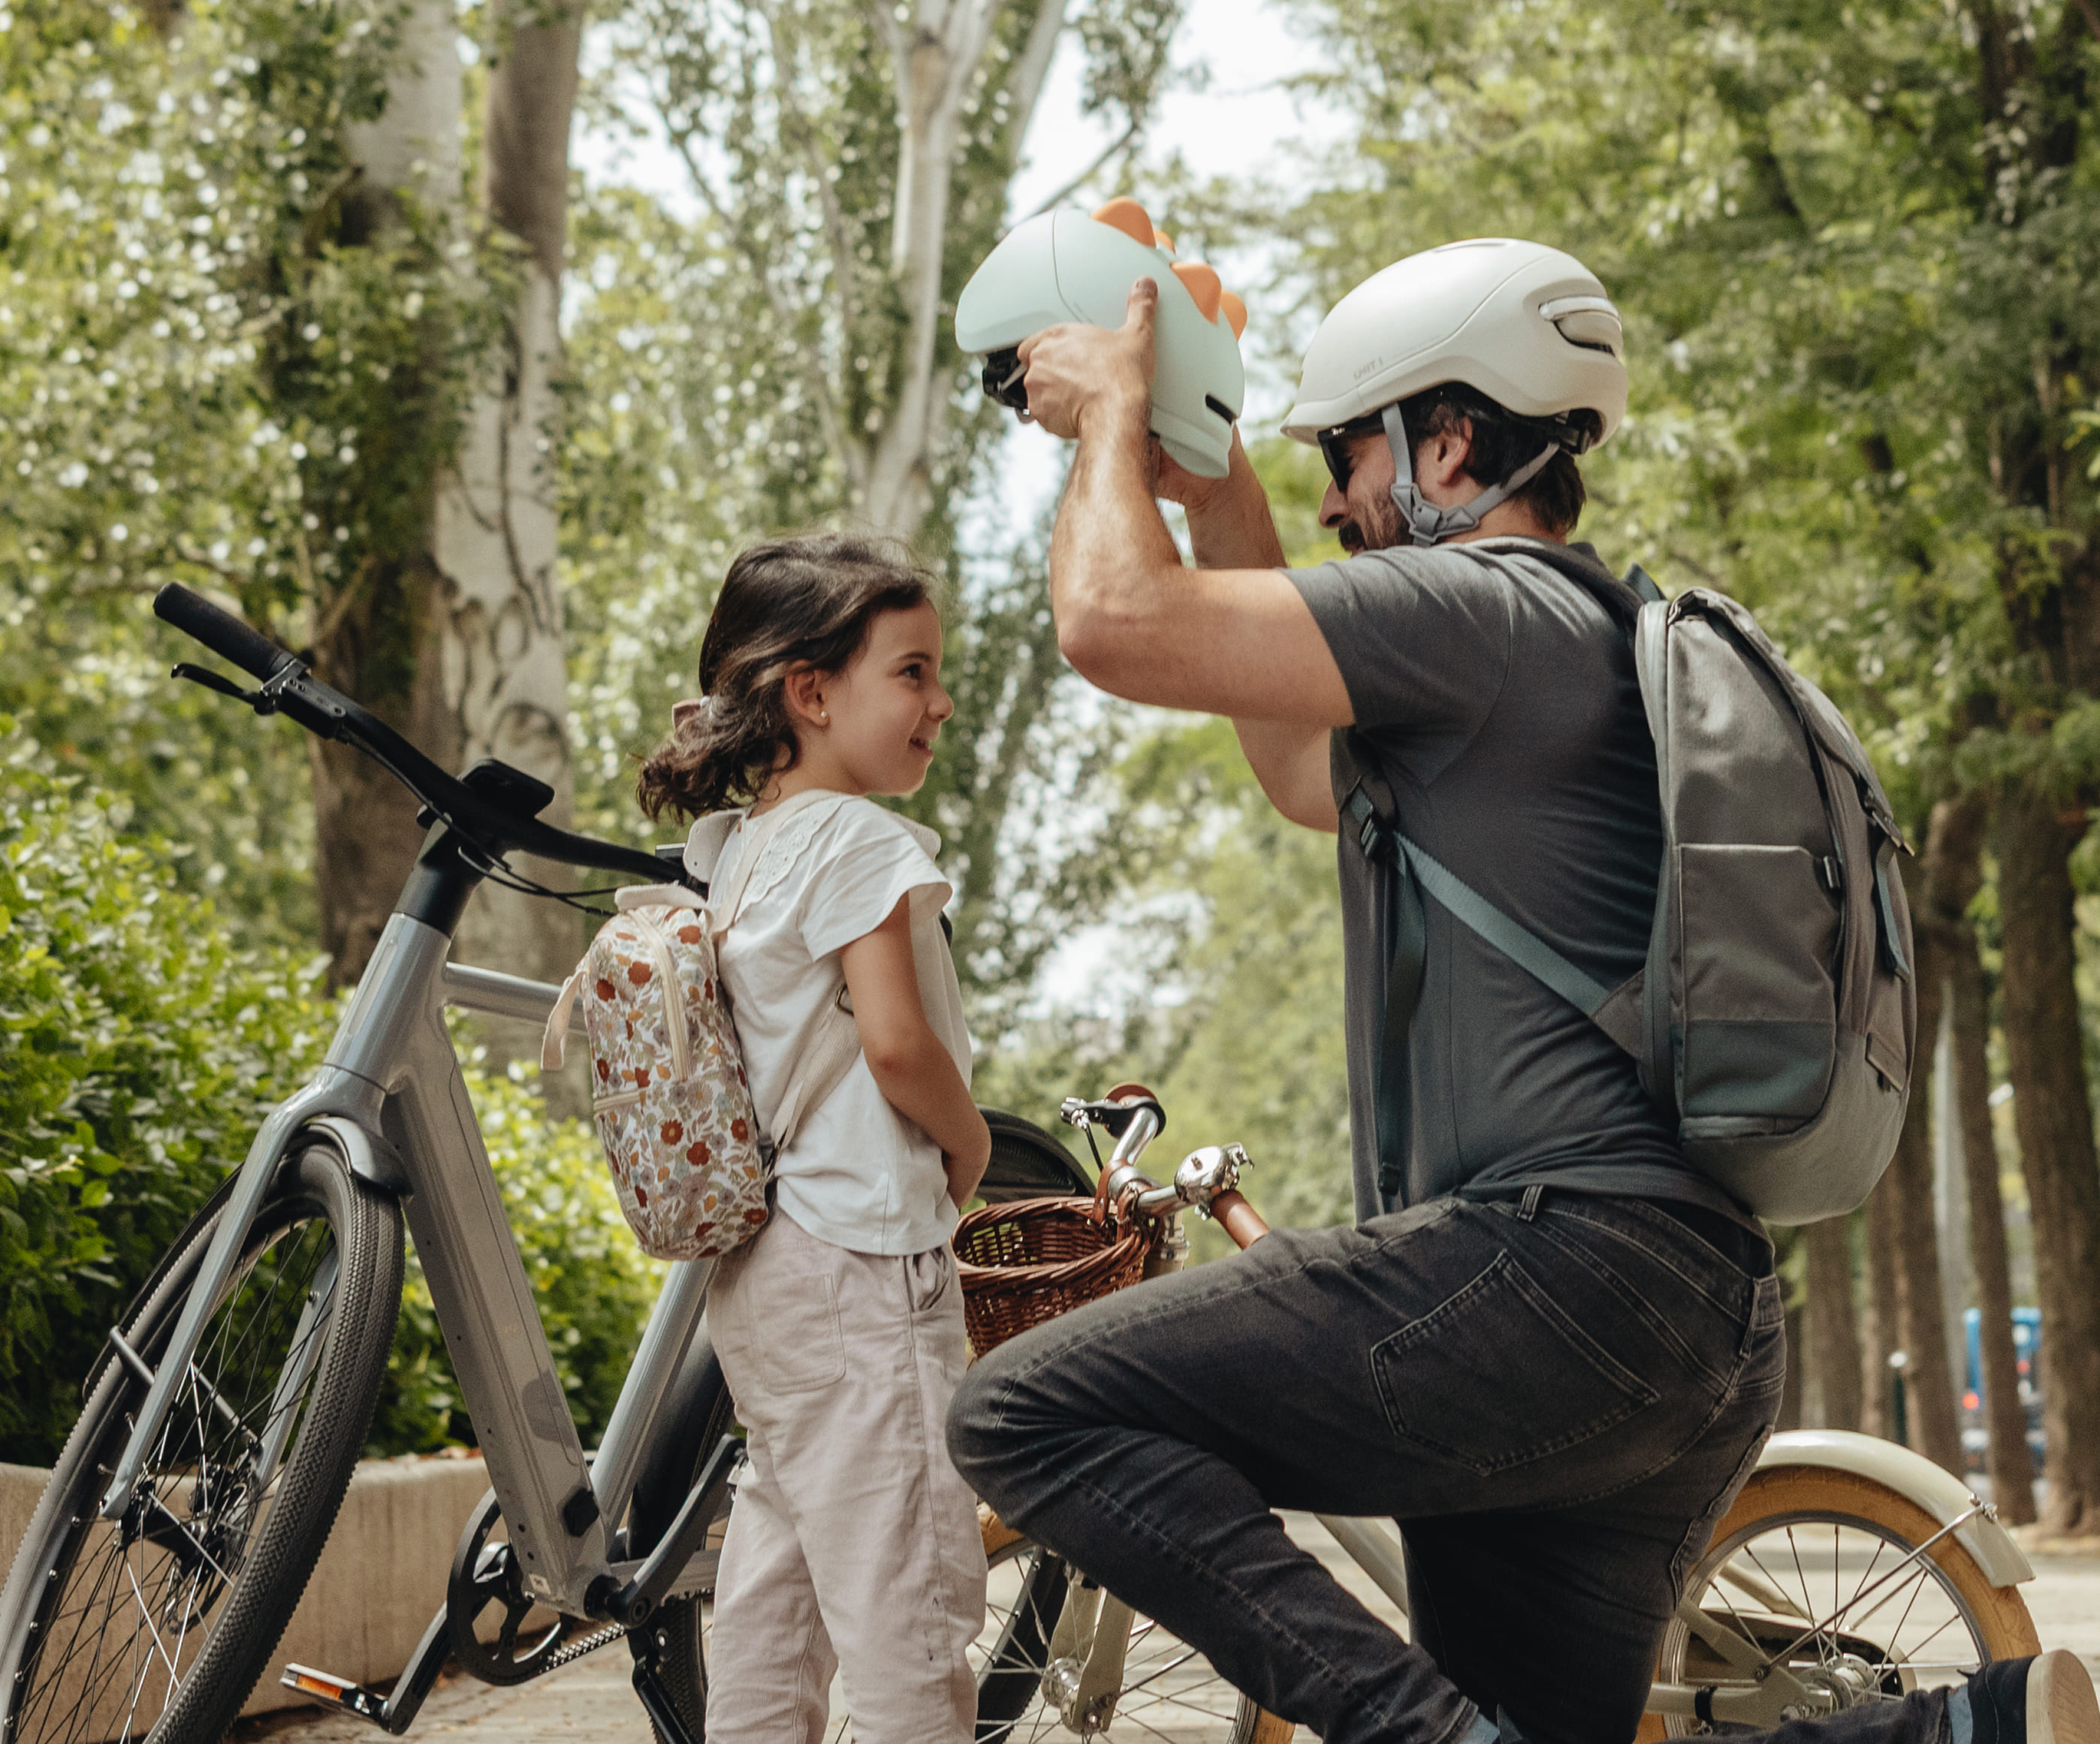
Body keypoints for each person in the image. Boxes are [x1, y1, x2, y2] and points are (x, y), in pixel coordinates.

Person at [946, 241, 2100, 1744]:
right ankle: (1954, 1731)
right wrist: (1209, 473)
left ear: (1453, 442)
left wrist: (1106, 410)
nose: (1334, 501)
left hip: (1545, 1281)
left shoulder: (1472, 608)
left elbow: (1116, 624)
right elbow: (1298, 764)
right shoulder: (1551, 640)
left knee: (1022, 1408)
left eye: (1352, 452)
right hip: (1680, 1316)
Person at [637, 532, 992, 1744]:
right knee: (908, 1607)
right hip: (860, 1260)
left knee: (777, 1594)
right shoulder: (856, 840)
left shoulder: (739, 856)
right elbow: (895, 1045)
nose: (940, 701)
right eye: (913, 670)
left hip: (768, 1278)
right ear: (810, 690)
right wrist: (971, 1141)